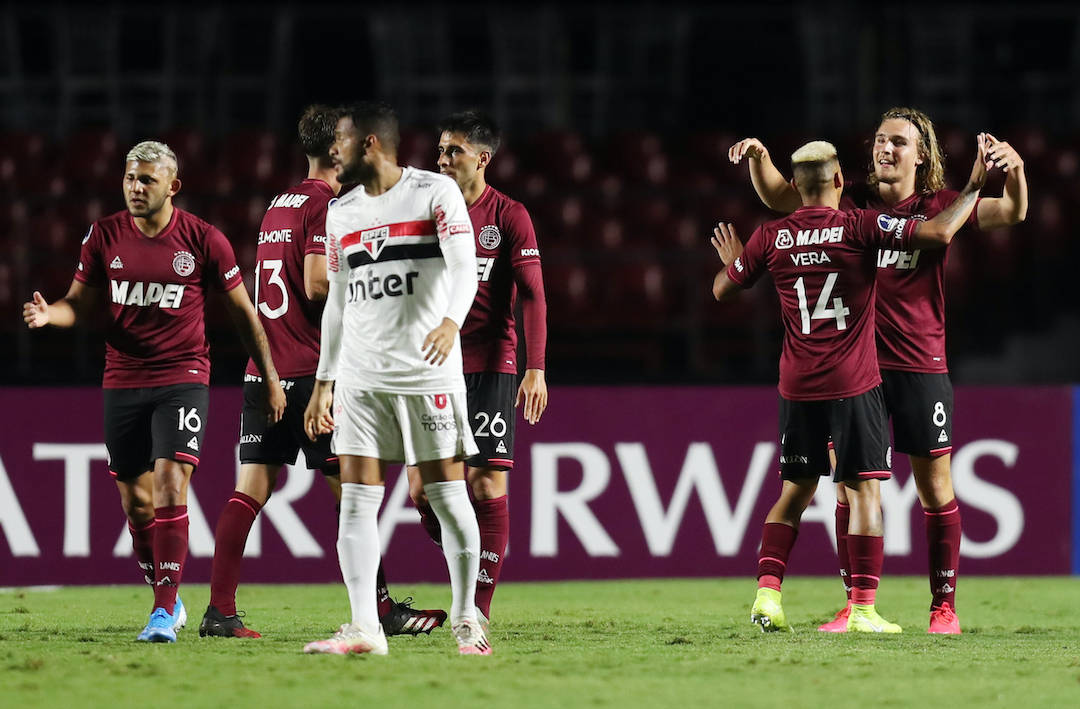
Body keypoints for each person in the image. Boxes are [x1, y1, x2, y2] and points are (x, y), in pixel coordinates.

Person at [729, 108, 1027, 634]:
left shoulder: (939, 206)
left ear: (922, 156)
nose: (884, 149)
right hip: (856, 369)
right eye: (880, 141)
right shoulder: (853, 206)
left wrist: (1016, 171)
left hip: (919, 361)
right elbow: (783, 196)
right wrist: (760, 158)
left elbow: (1013, 213)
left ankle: (943, 606)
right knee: (849, 488)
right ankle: (857, 604)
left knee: (935, 486)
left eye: (898, 142)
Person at [197, 106, 449, 639]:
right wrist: (372, 290)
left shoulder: (277, 203)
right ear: (339, 149)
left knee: (249, 492)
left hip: (264, 371)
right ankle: (380, 610)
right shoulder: (327, 205)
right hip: (313, 373)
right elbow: (315, 285)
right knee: (355, 495)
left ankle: (220, 610)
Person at [23, 140, 287, 643]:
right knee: (136, 503)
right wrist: (49, 314)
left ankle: (163, 612)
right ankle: (168, 597)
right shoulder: (103, 236)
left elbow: (244, 315)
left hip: (184, 376)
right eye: (129, 178)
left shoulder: (204, 240)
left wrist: (271, 376)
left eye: (146, 179)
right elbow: (75, 304)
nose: (135, 187)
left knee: (170, 481)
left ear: (173, 186)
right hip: (122, 377)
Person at [301, 102, 489, 656]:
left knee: (447, 495)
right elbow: (336, 301)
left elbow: (464, 266)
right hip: (361, 378)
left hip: (423, 372)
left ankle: (465, 616)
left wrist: (452, 321)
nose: (332, 152)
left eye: (340, 142)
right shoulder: (340, 212)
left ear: (371, 146)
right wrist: (324, 380)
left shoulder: (434, 193)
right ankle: (365, 628)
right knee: (357, 500)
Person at [377, 110, 547, 630]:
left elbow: (534, 295)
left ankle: (477, 608)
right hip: (429, 367)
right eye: (440, 150)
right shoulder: (425, 210)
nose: (443, 159)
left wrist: (535, 369)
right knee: (421, 493)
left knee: (487, 488)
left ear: (482, 159)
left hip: (490, 364)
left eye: (454, 151)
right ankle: (471, 557)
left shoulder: (508, 215)